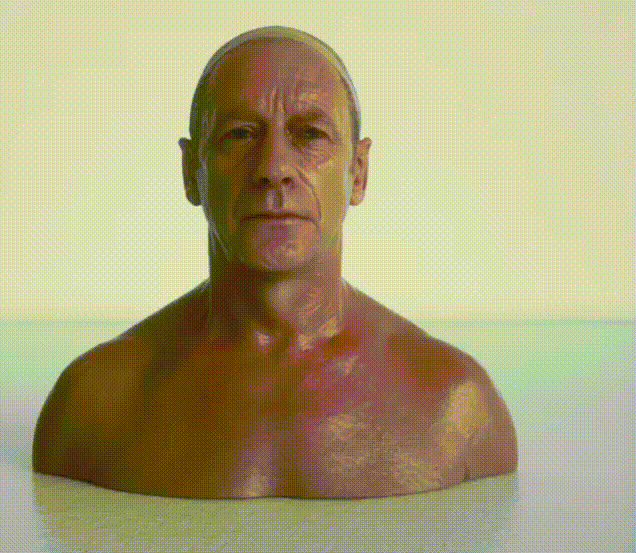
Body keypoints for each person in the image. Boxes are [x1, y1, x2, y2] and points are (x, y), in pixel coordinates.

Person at [33, 26, 517, 498]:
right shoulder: (95, 403)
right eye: (240, 135)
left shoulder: (456, 402)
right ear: (191, 172)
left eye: (310, 134)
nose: (273, 168)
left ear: (358, 173)